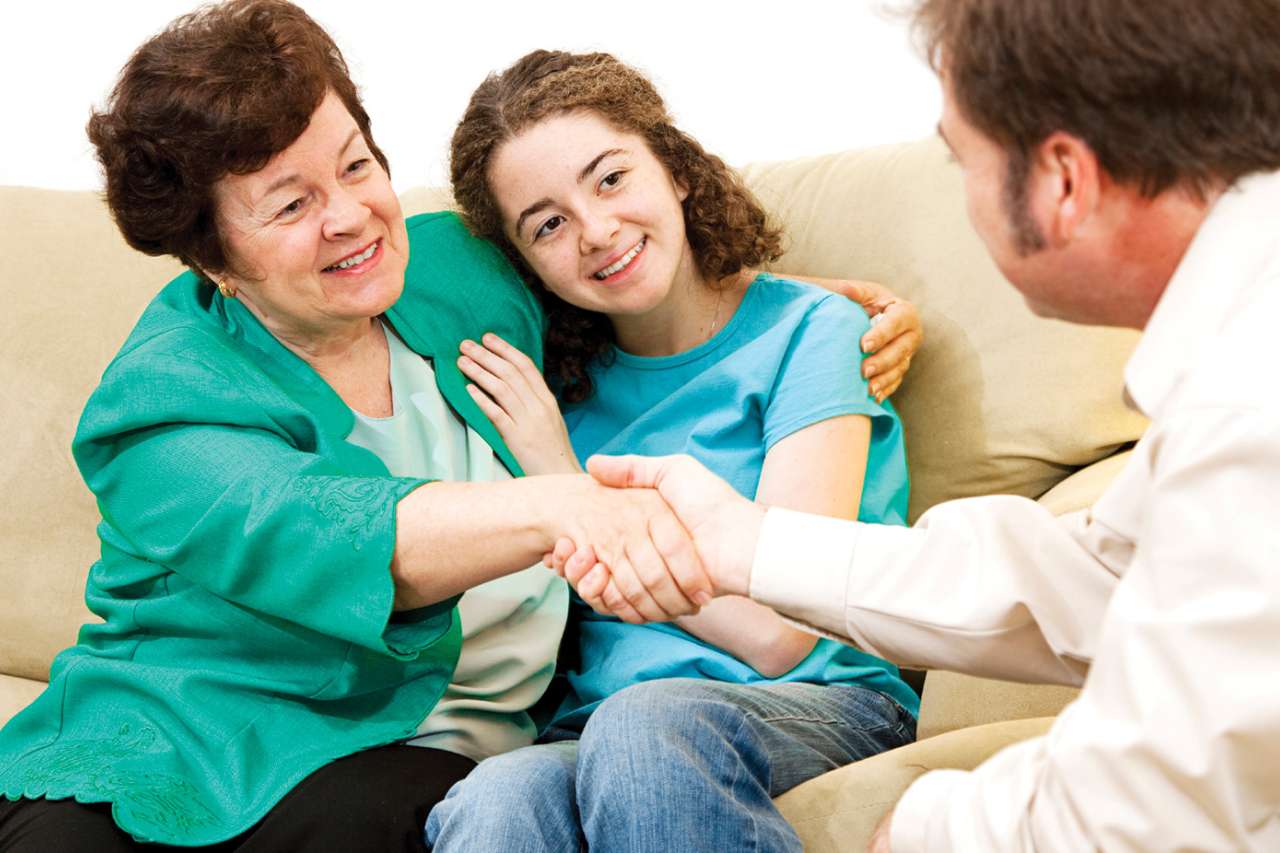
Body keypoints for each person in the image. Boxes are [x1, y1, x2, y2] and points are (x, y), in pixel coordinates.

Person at [0, 4, 923, 850]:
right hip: (196, 729)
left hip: (514, 741)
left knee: (555, 762)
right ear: (214, 260)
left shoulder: (453, 275)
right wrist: (565, 498)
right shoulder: (164, 398)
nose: (350, 217)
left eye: (355, 165)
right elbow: (337, 532)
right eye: (290, 204)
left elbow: (625, 256)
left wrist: (811, 304)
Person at [562, 0, 1280, 850]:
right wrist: (750, 545)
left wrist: (929, 825)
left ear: (1063, 181)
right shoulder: (1235, 361)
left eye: (961, 161)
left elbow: (1157, 791)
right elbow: (1091, 578)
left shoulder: (1245, 405)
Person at [423, 50, 918, 852]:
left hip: (821, 698)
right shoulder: (552, 401)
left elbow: (780, 633)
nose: (596, 231)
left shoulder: (813, 333)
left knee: (645, 727)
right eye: (547, 224)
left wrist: (570, 487)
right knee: (494, 797)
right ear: (526, 266)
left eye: (611, 178)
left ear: (677, 169)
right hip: (599, 726)